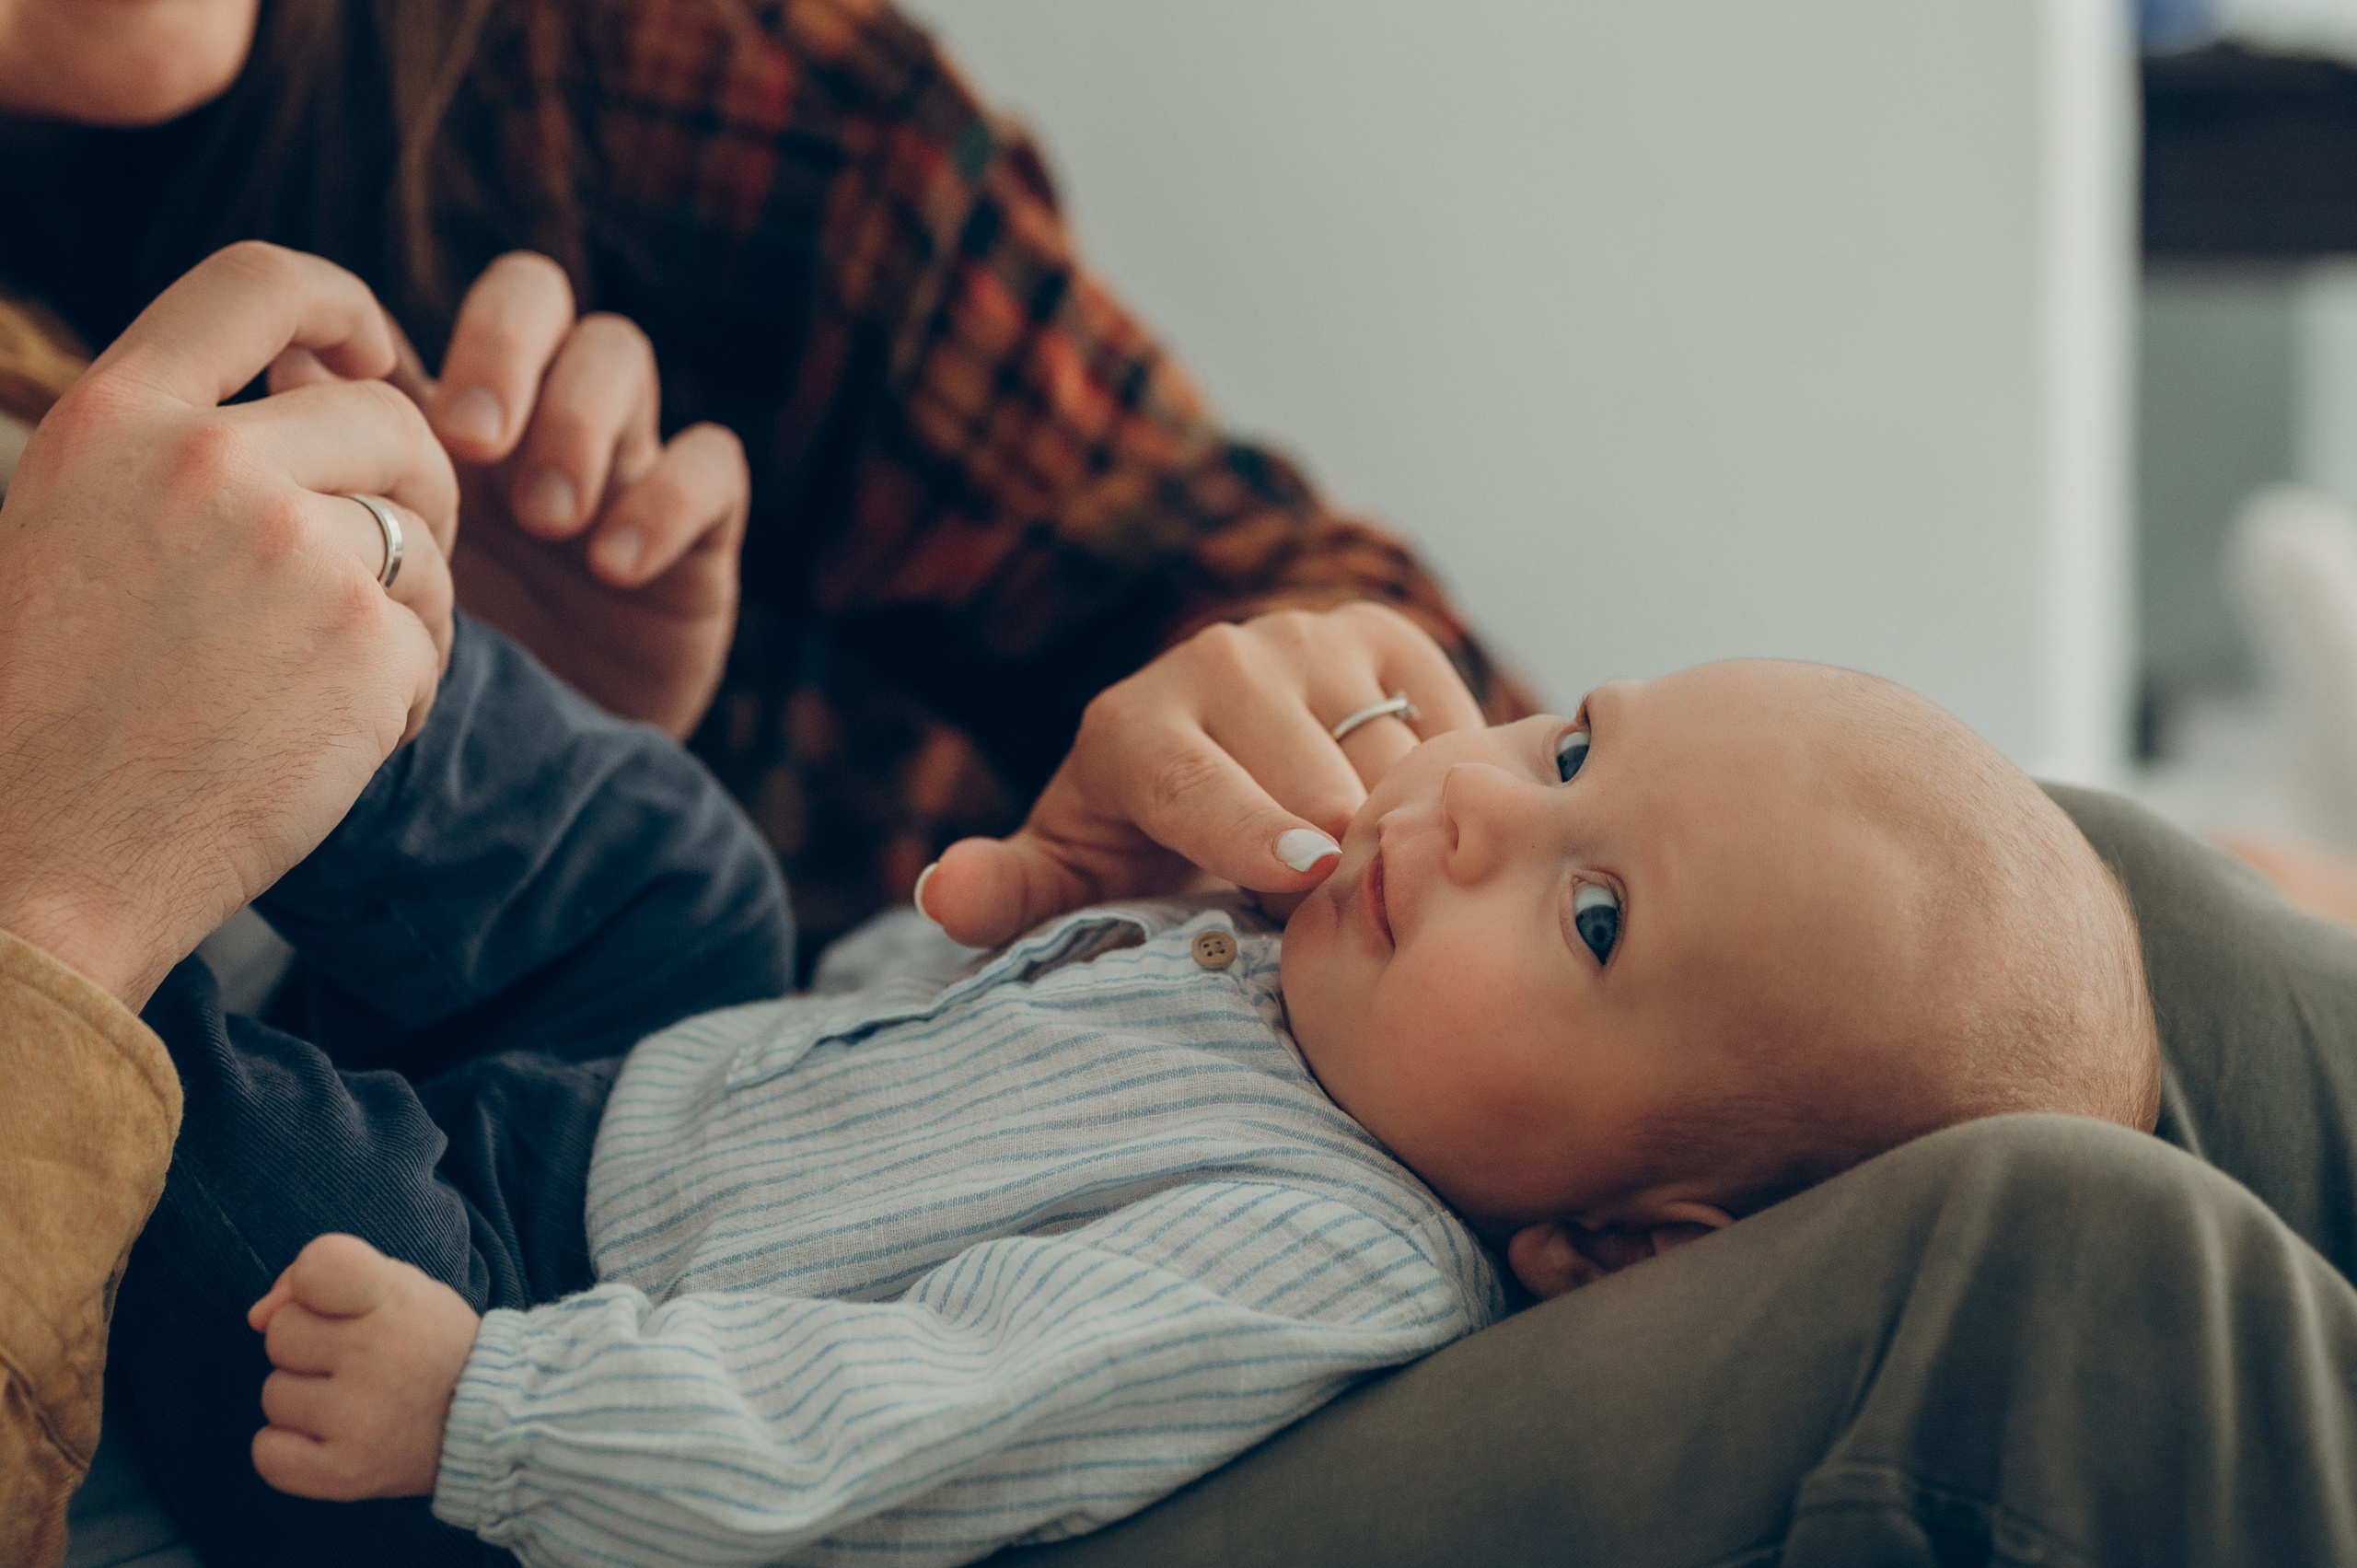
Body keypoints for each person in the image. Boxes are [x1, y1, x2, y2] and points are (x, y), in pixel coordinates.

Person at [110, 654, 2162, 1566]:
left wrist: (493, 1413)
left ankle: (87, 891)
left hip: (552, 1377)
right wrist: (1037, 911)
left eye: (1592, 912)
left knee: (279, 1202)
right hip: (661, 1113)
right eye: (1566, 746)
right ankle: (290, 648)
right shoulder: (1291, 969)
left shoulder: (1316, 1258)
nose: (1461, 806)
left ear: (1620, 1247)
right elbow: (880, 1053)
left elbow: (890, 1423)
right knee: (671, 853)